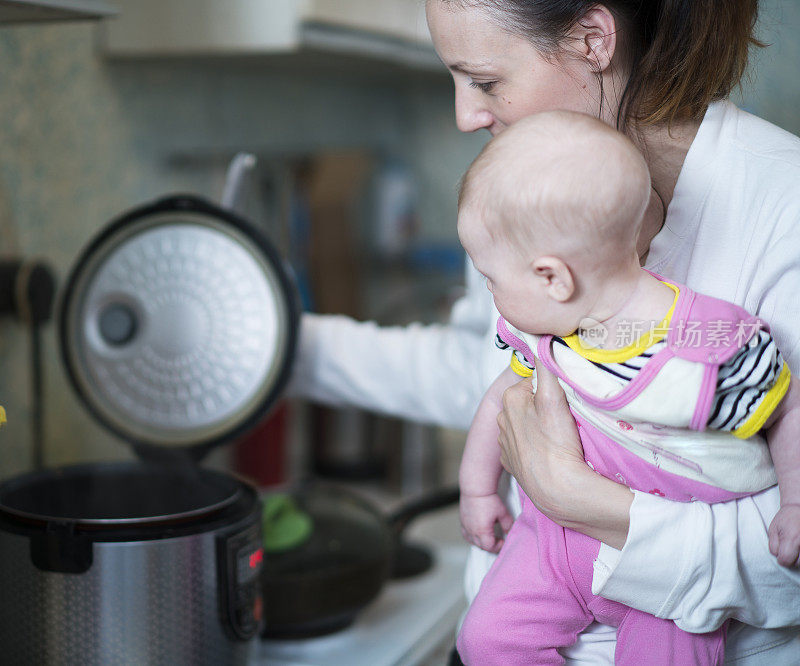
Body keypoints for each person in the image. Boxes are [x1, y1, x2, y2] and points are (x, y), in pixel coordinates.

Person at [287, 0, 800, 662]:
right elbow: (477, 371)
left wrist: (579, 500)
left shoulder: (783, 205)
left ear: (592, 39)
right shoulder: (526, 194)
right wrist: (280, 349)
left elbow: (786, 564)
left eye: (485, 80)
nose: (466, 114)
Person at [455, 110, 800, 665]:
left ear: (553, 278)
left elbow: (788, 406)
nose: (490, 293)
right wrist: (477, 490)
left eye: (492, 277)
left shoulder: (703, 346)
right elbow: (500, 397)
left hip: (663, 578)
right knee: (486, 641)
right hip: (549, 542)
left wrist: (795, 500)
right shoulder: (549, 328)